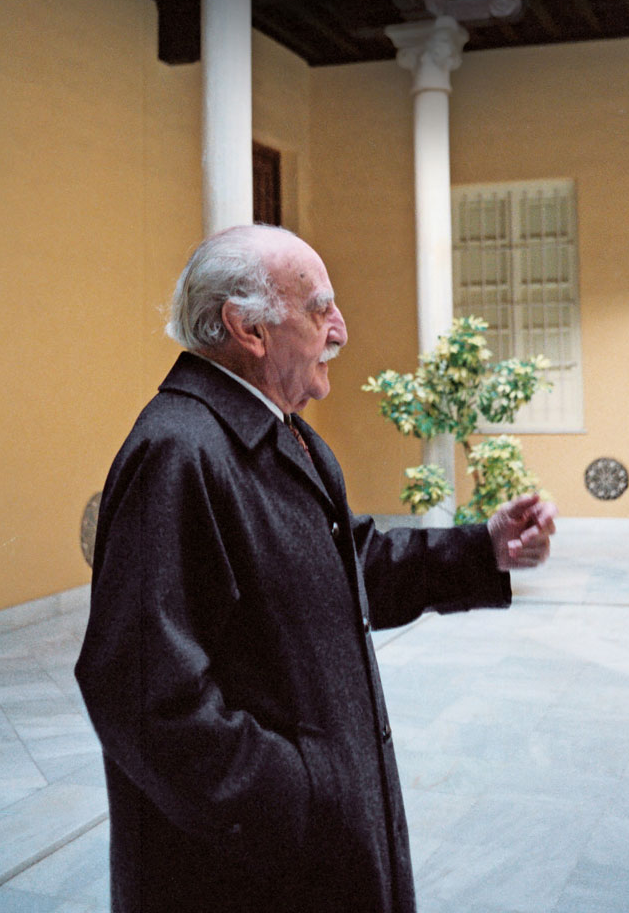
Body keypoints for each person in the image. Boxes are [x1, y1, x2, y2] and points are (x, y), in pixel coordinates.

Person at [76, 224, 556, 913]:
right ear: (248, 328)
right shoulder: (179, 452)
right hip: (248, 876)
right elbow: (143, 694)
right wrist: (301, 796)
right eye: (319, 308)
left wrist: (481, 549)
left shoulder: (280, 435)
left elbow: (344, 566)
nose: (341, 329)